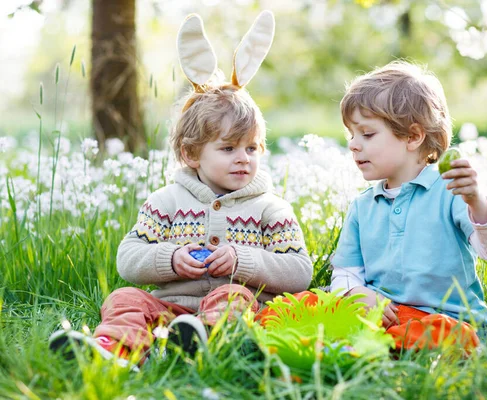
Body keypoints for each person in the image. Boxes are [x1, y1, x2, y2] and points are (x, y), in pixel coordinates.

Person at [50, 10, 312, 367]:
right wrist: (170, 259)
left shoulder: (270, 208)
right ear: (191, 153)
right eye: (228, 148)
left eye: (252, 148)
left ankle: (207, 344)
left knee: (233, 297)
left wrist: (243, 260)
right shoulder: (166, 202)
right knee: (126, 297)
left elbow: (299, 271)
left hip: (233, 303)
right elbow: (128, 257)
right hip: (170, 308)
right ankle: (116, 352)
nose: (243, 159)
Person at [330, 61, 487, 352]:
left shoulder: (450, 192)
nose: (353, 144)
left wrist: (477, 201)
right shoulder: (362, 206)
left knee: (449, 334)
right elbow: (345, 273)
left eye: (367, 134)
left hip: (445, 320)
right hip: (386, 317)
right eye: (351, 134)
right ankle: (378, 343)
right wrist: (356, 293)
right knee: (311, 301)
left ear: (413, 137)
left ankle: (369, 346)